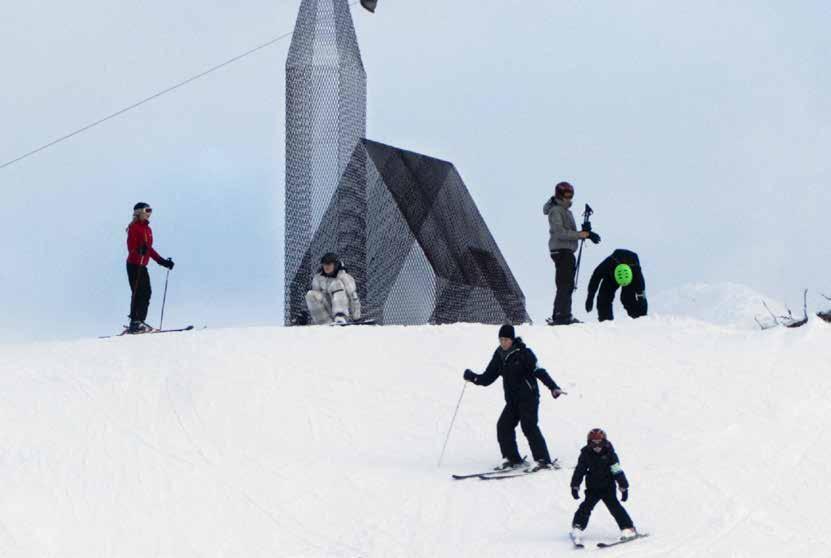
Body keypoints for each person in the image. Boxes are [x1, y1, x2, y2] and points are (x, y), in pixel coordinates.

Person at [463, 325, 565, 471]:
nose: (503, 342)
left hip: (529, 397)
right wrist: (473, 377)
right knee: (503, 426)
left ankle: (543, 460)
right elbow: (487, 378)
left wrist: (553, 387)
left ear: (512, 339)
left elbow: (539, 371)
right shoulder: (499, 355)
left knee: (528, 426)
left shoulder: (524, 353)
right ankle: (512, 459)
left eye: (506, 339)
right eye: (501, 339)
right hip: (512, 400)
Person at [543, 181, 600, 325]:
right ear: (559, 195)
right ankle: (561, 316)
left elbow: (569, 230)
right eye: (567, 195)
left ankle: (563, 314)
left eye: (571, 195)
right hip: (561, 250)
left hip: (565, 250)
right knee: (565, 283)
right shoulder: (556, 210)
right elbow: (560, 232)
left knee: (567, 283)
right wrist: (581, 234)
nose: (569, 198)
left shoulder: (565, 211)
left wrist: (585, 232)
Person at [570, 428, 638, 545]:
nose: (597, 446)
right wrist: (575, 485)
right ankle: (577, 527)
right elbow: (580, 470)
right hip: (593, 487)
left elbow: (617, 470)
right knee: (586, 507)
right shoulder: (586, 453)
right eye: (593, 443)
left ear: (604, 442)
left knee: (615, 507)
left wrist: (623, 486)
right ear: (589, 443)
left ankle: (628, 528)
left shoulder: (610, 454)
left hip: (608, 487)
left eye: (600, 443)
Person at [126, 203, 174, 333]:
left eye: (150, 210)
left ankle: (139, 321)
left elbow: (149, 249)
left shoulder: (148, 229)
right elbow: (131, 248)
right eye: (147, 210)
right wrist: (139, 250)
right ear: (139, 212)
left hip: (143, 265)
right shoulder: (133, 228)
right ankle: (135, 323)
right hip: (134, 264)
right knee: (138, 293)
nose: (149, 213)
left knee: (146, 292)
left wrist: (162, 261)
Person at [585, 249, 648, 322]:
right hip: (612, 272)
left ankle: (637, 318)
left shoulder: (637, 276)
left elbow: (642, 296)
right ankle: (605, 321)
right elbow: (595, 277)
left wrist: (643, 318)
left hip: (631, 272)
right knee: (604, 296)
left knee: (627, 298)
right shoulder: (608, 264)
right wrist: (590, 297)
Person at [305, 253, 362, 325]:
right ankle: (325, 323)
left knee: (336, 284)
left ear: (335, 264)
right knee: (311, 294)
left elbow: (353, 297)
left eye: (329, 264)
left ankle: (340, 316)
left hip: (346, 312)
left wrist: (356, 318)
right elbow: (316, 299)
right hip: (328, 315)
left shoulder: (344, 277)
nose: (326, 266)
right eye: (324, 264)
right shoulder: (318, 278)